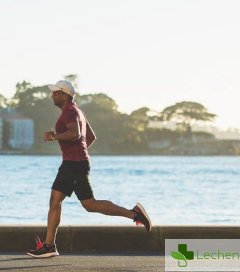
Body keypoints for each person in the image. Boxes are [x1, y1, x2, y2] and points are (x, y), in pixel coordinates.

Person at [27, 80, 152, 258]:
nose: (52, 95)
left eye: (56, 92)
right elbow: (90, 137)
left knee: (85, 204)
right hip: (75, 163)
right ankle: (49, 246)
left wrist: (55, 136)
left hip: (73, 164)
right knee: (63, 202)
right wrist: (79, 151)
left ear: (65, 95)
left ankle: (134, 214)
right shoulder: (77, 111)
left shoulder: (69, 112)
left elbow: (76, 134)